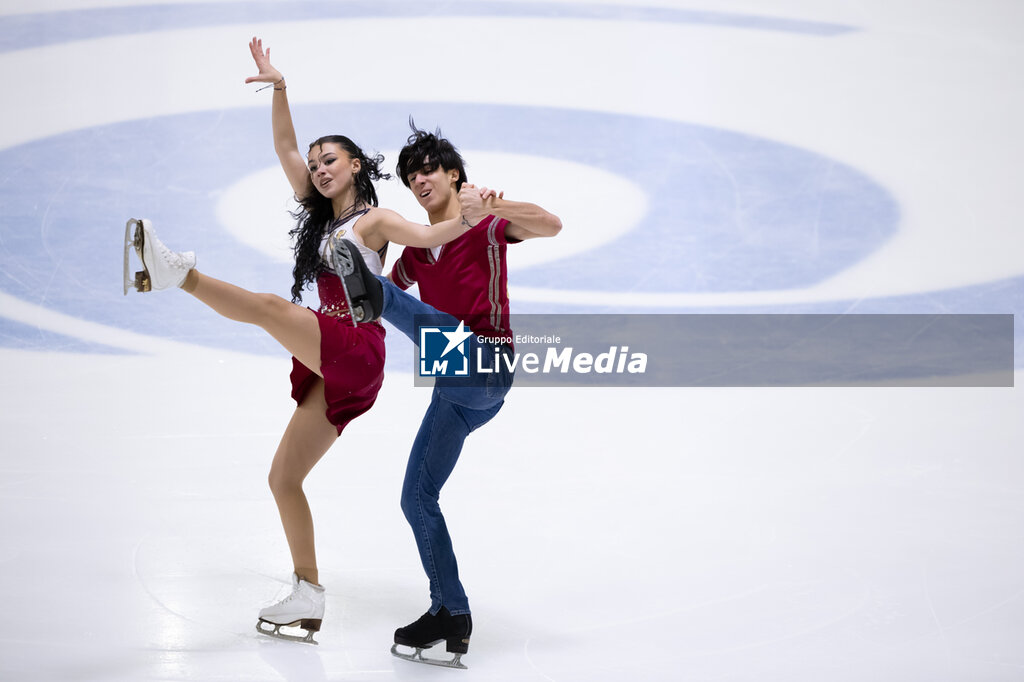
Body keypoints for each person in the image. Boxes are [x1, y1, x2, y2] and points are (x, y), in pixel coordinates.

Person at [121, 37, 481, 644]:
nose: (318, 167)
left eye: (331, 159)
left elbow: (425, 232)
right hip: (329, 358)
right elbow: (286, 146)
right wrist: (280, 88)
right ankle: (307, 595)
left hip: (355, 344)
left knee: (267, 308)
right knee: (283, 478)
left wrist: (469, 214)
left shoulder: (372, 218)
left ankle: (174, 271)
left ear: (358, 165)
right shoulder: (322, 211)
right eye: (316, 163)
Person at [334, 123, 561, 667]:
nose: (420, 181)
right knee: (415, 497)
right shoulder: (416, 252)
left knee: (387, 298)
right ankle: (451, 612)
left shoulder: (484, 226)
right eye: (412, 176)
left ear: (454, 174)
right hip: (454, 393)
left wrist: (495, 209)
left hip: (486, 366)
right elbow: (387, 291)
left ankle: (372, 296)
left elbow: (552, 225)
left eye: (429, 170)